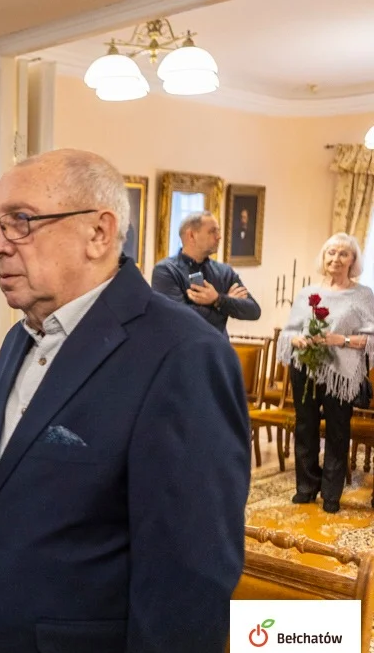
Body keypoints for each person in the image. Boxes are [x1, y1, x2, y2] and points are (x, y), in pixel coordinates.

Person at [0, 149, 251, 653]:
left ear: (98, 233)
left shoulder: (183, 354)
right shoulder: (18, 340)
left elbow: (189, 580)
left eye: (21, 222)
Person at [277, 233, 374, 513]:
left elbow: (371, 339)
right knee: (305, 428)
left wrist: (340, 340)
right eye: (331, 252)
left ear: (353, 260)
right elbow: (289, 331)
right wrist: (296, 339)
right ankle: (306, 487)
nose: (336, 258)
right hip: (305, 368)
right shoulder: (307, 293)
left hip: (341, 375)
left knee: (337, 432)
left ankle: (331, 493)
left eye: (344, 253)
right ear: (324, 257)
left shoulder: (363, 295)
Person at [151, 211, 261, 334]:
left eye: (218, 231)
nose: (219, 236)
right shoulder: (166, 271)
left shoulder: (224, 272)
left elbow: (254, 311)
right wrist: (225, 308)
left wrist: (219, 300)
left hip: (218, 350)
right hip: (184, 351)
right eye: (212, 231)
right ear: (191, 235)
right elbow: (179, 319)